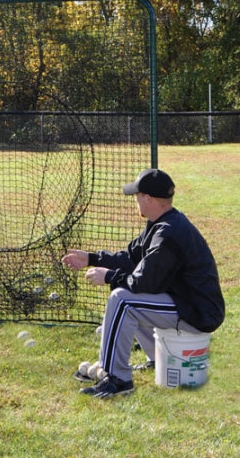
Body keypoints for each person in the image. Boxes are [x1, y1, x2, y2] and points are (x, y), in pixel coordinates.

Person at [62, 168, 225, 399]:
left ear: (148, 199)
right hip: (188, 303)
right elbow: (130, 258)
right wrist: (91, 258)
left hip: (198, 312)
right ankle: (156, 359)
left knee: (122, 300)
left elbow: (142, 283)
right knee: (129, 299)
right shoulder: (161, 223)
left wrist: (108, 276)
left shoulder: (168, 233)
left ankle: (117, 380)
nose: (135, 201)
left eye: (137, 196)